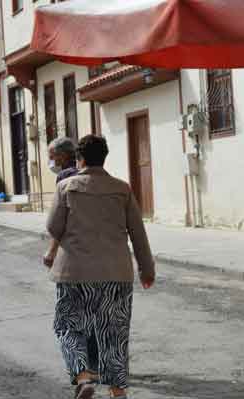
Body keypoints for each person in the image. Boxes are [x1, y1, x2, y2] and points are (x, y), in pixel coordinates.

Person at [46, 135, 155, 399]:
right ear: (104, 158)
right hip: (116, 273)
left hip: (74, 273)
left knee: (69, 326)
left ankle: (83, 376)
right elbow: (138, 233)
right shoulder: (123, 188)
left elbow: (53, 227)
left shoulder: (66, 187)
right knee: (114, 331)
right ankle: (117, 391)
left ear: (79, 159)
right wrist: (146, 269)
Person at [43, 137, 79, 267]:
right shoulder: (83, 171)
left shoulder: (64, 176)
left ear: (63, 156)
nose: (51, 162)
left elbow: (59, 220)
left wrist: (52, 251)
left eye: (52, 157)